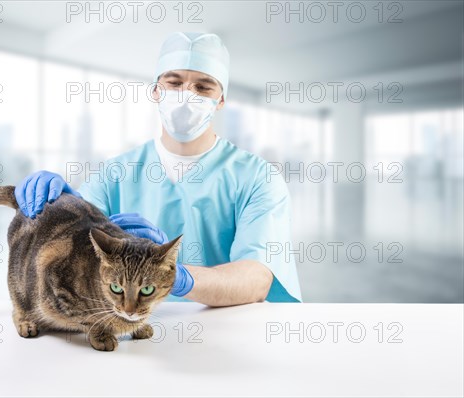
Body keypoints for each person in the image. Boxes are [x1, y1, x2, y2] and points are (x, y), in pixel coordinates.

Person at [15, 32, 302, 305]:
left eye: (203, 86)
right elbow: (77, 249)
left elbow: (256, 278)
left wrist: (180, 278)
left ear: (221, 100)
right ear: (155, 90)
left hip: (225, 326)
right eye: (174, 83)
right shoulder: (115, 173)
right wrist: (56, 210)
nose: (187, 95)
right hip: (127, 328)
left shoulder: (257, 177)